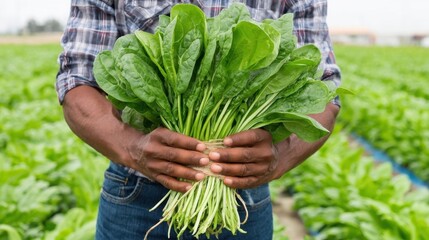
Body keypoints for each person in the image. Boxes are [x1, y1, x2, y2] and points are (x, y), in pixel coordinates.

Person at [56, 0, 341, 239]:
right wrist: (132, 147)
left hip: (241, 197)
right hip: (136, 196)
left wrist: (280, 156)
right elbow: (77, 79)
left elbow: (324, 89)